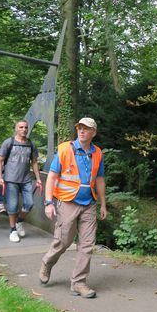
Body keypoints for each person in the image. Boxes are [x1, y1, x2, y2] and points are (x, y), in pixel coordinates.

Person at [39, 118, 107, 299]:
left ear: (94, 132)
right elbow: (52, 177)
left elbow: (99, 180)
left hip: (89, 204)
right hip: (67, 202)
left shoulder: (98, 153)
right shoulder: (64, 149)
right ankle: (47, 262)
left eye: (86, 129)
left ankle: (79, 282)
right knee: (63, 241)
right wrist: (48, 203)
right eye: (80, 128)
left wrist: (103, 203)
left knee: (87, 244)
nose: (82, 131)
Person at [0, 120, 42, 243]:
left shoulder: (31, 144)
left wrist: (38, 179)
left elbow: (34, 162)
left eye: (26, 127)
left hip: (26, 179)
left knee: (29, 203)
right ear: (16, 129)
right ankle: (13, 231)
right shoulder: (9, 142)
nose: (24, 129)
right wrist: (0, 177)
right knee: (13, 206)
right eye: (21, 127)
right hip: (10, 179)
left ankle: (19, 222)